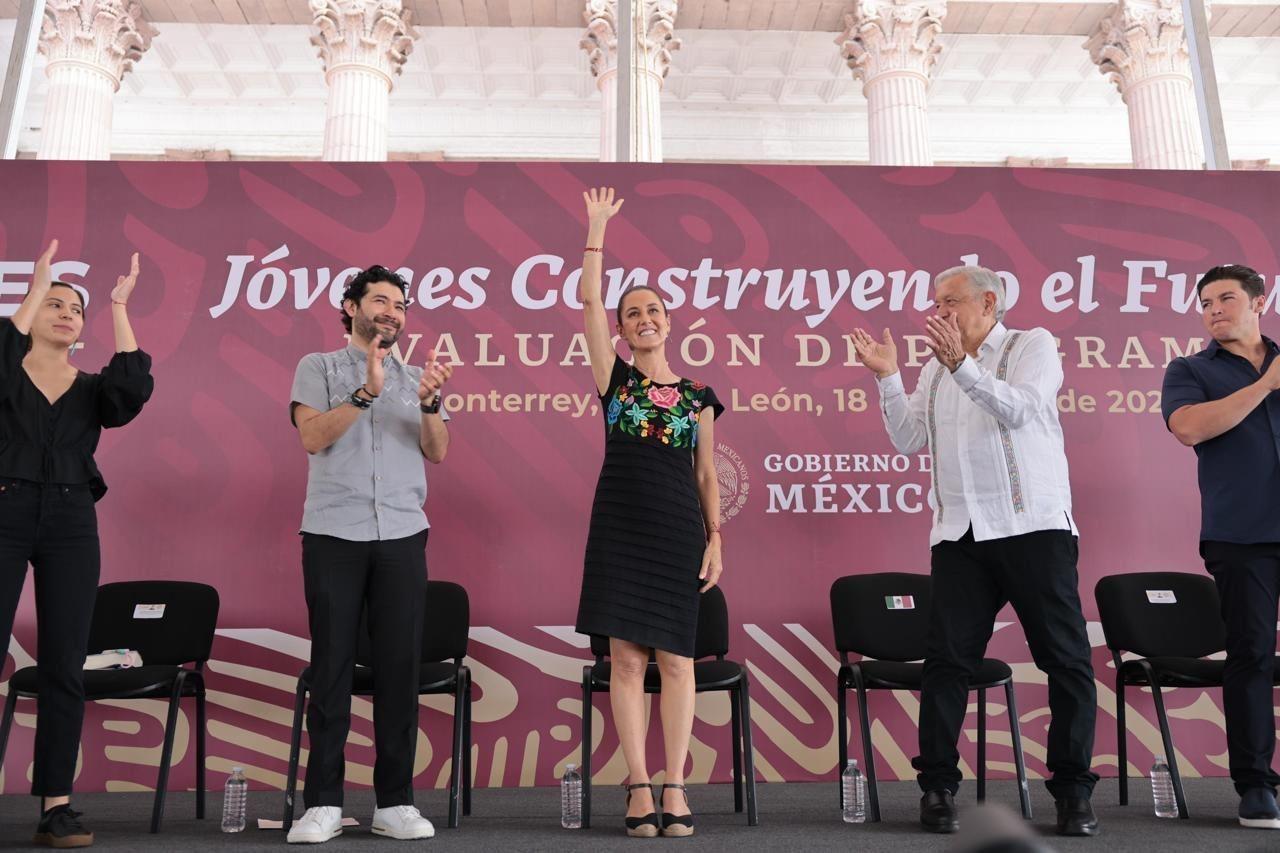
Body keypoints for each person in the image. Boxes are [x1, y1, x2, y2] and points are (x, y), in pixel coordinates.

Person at [852, 265, 1099, 837]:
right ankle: (937, 789)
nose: (937, 314)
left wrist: (961, 365)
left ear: (988, 302)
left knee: (1065, 660)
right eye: (935, 304)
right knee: (945, 663)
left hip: (1032, 526)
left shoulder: (1032, 345)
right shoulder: (933, 368)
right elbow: (909, 438)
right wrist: (889, 378)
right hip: (961, 534)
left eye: (948, 303)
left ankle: (1072, 794)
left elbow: (1018, 409)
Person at [573, 187, 725, 838]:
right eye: (632, 311)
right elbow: (587, 301)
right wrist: (596, 230)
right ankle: (637, 785)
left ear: (668, 321)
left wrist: (715, 535)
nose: (642, 317)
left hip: (675, 532)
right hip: (619, 530)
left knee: (678, 661)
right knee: (627, 662)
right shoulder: (615, 380)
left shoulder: (697, 396)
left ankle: (675, 783)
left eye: (652, 309)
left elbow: (706, 473)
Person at [286, 265, 453, 844]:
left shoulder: (416, 378)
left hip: (403, 534)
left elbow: (437, 452)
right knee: (331, 667)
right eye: (379, 300)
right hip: (334, 533)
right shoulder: (319, 368)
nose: (392, 311)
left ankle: (395, 802)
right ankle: (323, 804)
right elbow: (312, 437)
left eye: (400, 305)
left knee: (399, 671)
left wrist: (430, 405)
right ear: (351, 306)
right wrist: (365, 393)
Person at [0, 240, 154, 848]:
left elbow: (132, 390)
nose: (66, 313)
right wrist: (35, 286)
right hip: (4, 511)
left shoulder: (93, 389)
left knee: (64, 663)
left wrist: (117, 306)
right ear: (33, 312)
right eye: (54, 304)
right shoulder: (6, 374)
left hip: (69, 521)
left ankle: (56, 806)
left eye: (75, 310)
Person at [1162, 264, 1280, 830]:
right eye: (1205, 301)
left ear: (1259, 301)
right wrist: (1265, 386)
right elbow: (1188, 429)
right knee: (1252, 654)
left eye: (1226, 298)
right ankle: (1256, 786)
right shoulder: (1190, 370)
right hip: (1242, 536)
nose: (1213, 309)